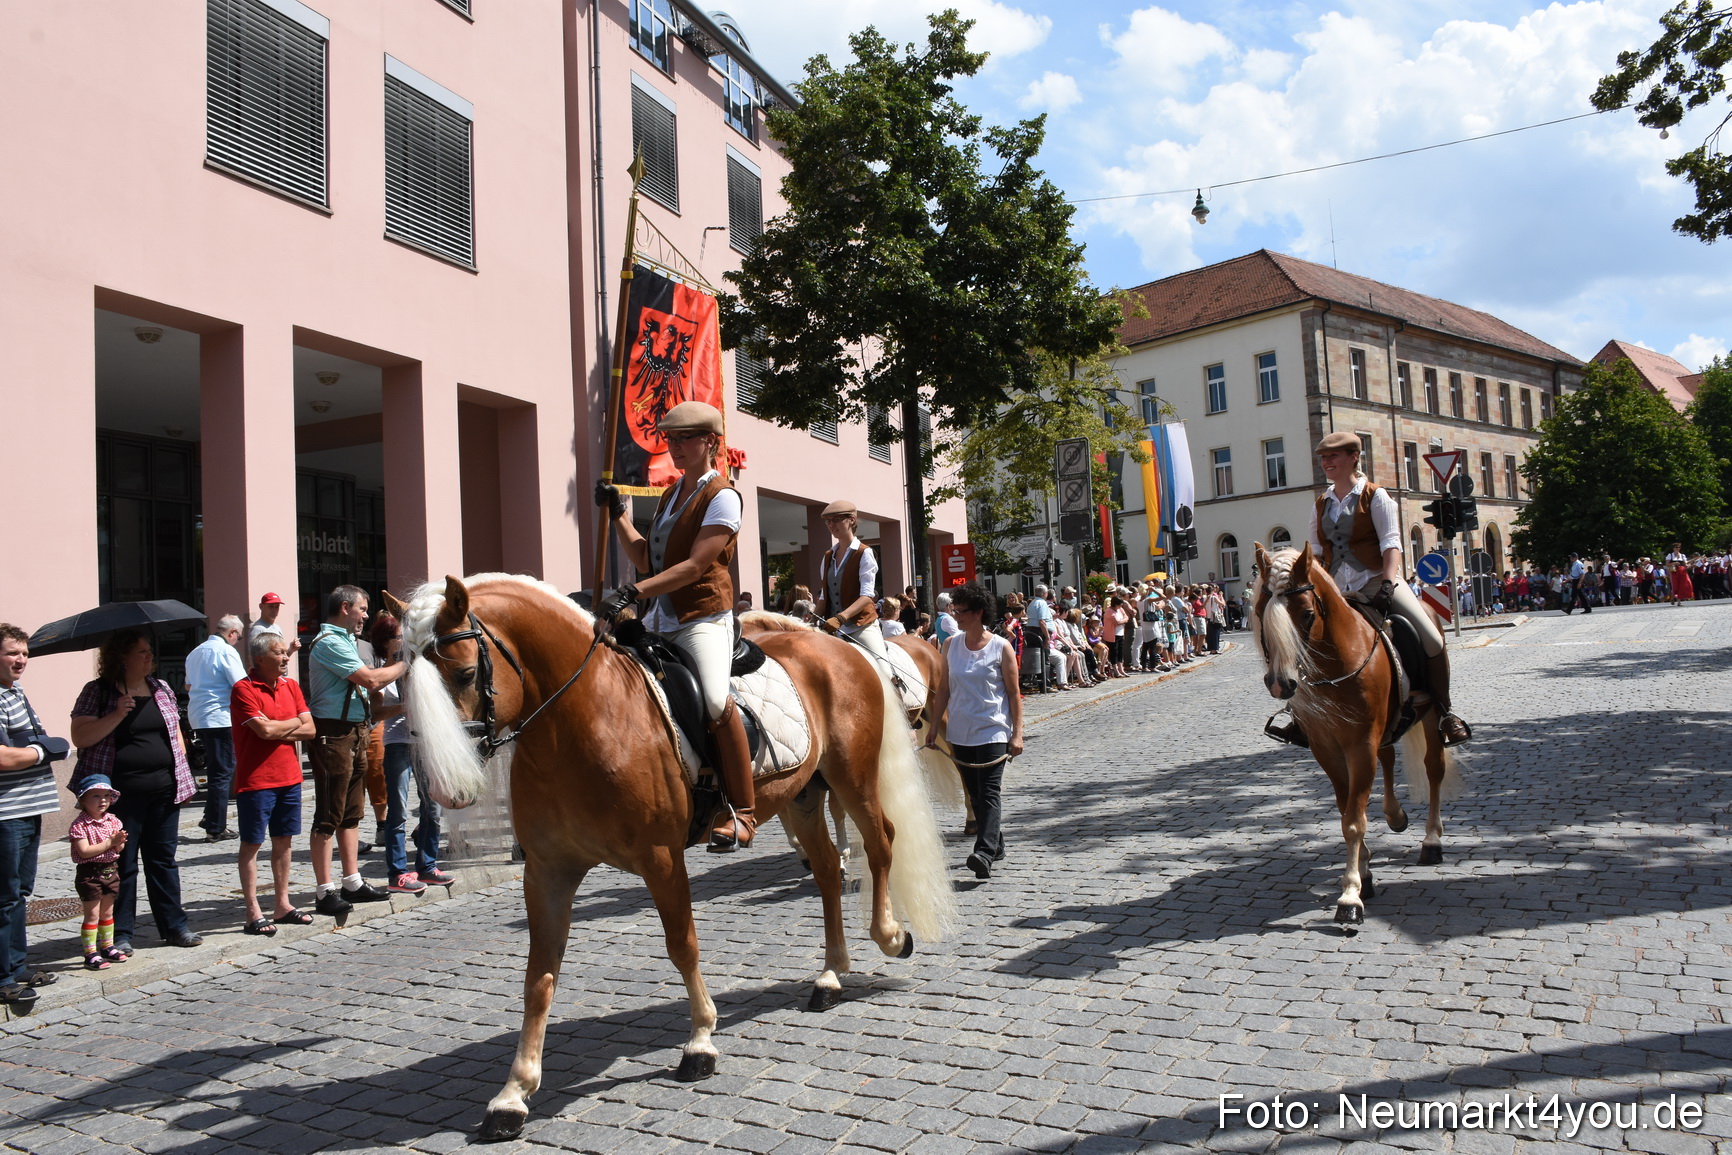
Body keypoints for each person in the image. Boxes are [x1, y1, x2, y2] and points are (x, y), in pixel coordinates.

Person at [595, 400, 755, 851]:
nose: (675, 446)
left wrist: (632, 592)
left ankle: (742, 811)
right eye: (670, 439)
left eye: (685, 438)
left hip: (702, 618)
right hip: (659, 619)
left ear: (711, 442)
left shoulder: (723, 495)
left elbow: (695, 565)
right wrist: (618, 515)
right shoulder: (669, 496)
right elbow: (647, 559)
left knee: (714, 700)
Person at [1272, 431, 1471, 747]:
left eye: (1333, 456)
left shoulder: (1376, 496)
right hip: (1336, 589)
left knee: (1431, 638)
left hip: (1377, 581)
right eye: (1323, 458)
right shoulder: (1321, 504)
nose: (1326, 462)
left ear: (1353, 457)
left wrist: (1389, 583)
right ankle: (1299, 717)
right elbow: (1318, 553)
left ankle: (1445, 712)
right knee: (1303, 639)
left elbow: (1391, 543)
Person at [69, 629, 202, 952]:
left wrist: (181, 767)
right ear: (122, 657)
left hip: (164, 790)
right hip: (119, 796)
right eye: (141, 651)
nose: (149, 656)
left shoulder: (161, 688)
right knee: (122, 863)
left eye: (149, 650)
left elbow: (175, 733)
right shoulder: (98, 692)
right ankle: (120, 933)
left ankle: (175, 927)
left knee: (163, 861)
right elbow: (80, 737)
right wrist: (117, 713)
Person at [306, 586, 403, 915]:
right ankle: (324, 891)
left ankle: (352, 881)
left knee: (351, 813)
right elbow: (370, 680)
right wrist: (404, 664)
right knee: (328, 816)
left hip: (355, 731)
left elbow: (371, 688)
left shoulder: (346, 640)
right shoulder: (329, 642)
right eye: (362, 609)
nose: (365, 615)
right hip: (334, 734)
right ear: (345, 607)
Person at [924, 584, 1023, 881]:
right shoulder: (951, 645)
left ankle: (983, 852)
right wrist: (933, 727)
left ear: (979, 612)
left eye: (961, 611)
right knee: (976, 794)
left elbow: (1014, 693)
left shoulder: (1001, 647)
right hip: (961, 730)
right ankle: (997, 843)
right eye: (954, 610)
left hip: (993, 729)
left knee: (989, 791)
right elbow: (943, 689)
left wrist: (1017, 733)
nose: (955, 616)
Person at [0, 624, 68, 1007]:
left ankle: (16, 965)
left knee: (20, 892)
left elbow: (31, 740)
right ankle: (2, 978)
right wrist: (42, 751)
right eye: (13, 652)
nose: (21, 659)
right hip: (6, 812)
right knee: (5, 895)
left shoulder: (16, 692)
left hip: (29, 807)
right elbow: (4, 756)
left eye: (25, 653)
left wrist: (37, 746)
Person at [232, 632, 316, 933]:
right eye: (278, 652)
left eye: (284, 652)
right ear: (260, 658)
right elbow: (263, 732)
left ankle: (282, 904)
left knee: (284, 841)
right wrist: (293, 723)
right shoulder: (243, 688)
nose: (285, 657)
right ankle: (252, 910)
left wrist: (278, 726)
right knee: (252, 844)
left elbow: (310, 730)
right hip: (256, 780)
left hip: (290, 777)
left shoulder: (290, 685)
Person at [369, 612, 433, 894]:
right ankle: (397, 872)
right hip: (397, 742)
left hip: (423, 741)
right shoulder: (380, 673)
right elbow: (376, 712)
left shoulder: (417, 667)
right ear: (386, 642)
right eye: (398, 637)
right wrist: (405, 706)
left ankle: (428, 865)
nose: (404, 640)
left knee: (433, 808)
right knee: (399, 810)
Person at [185, 614, 248, 842]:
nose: (237, 641)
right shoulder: (226, 651)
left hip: (199, 716)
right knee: (222, 771)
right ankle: (215, 827)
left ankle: (210, 817)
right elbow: (241, 685)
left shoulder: (195, 652)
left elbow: (188, 685)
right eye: (238, 637)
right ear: (232, 633)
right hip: (220, 717)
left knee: (216, 768)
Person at [814, 499, 892, 661]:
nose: (831, 525)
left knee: (883, 667)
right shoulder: (827, 556)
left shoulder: (864, 553)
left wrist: (841, 618)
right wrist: (811, 619)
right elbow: (824, 596)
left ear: (852, 520)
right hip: (831, 628)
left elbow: (867, 596)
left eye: (836, 519)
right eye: (828, 521)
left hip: (860, 627)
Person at [67, 776, 128, 969]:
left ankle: (107, 946)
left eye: (107, 796)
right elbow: (84, 851)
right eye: (96, 796)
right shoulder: (80, 825)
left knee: (107, 912)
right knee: (92, 915)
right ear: (83, 800)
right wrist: (110, 843)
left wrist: (119, 843)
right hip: (90, 874)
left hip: (111, 870)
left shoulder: (113, 821)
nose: (103, 800)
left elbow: (119, 849)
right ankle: (90, 953)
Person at [244, 592, 298, 659]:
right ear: (261, 607)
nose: (274, 610)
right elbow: (254, 659)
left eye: (277, 607)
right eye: (271, 607)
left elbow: (280, 659)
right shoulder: (257, 629)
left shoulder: (277, 627)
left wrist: (291, 649)